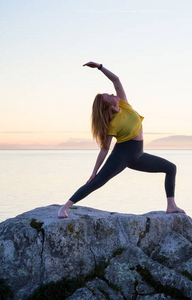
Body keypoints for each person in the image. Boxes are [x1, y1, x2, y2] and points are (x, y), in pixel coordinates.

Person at [58, 61, 185, 218]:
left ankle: (171, 205)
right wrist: (94, 171)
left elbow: (116, 80)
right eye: (108, 96)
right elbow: (105, 149)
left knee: (170, 168)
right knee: (97, 182)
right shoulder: (111, 124)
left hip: (139, 156)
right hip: (121, 157)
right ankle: (64, 208)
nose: (112, 94)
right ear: (107, 106)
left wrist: (99, 67)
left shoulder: (124, 105)